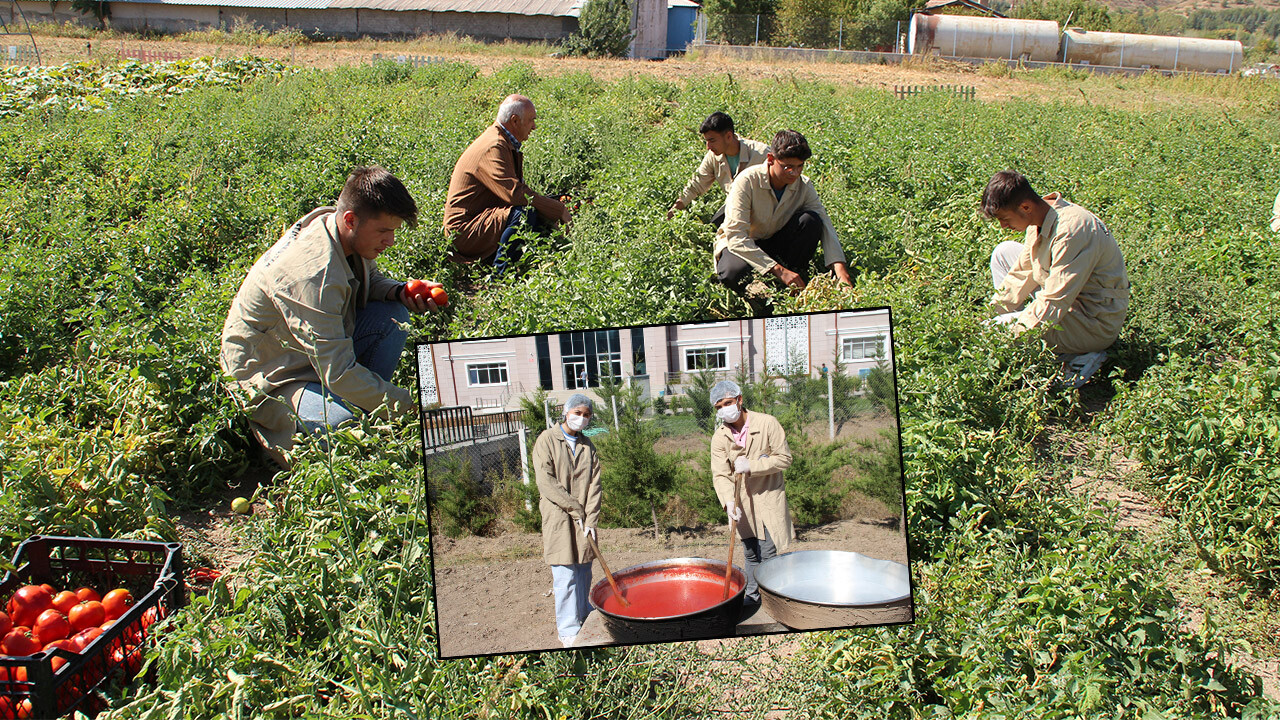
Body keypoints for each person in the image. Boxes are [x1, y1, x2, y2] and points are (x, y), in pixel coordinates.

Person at [220, 167, 440, 468]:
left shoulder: (339, 228)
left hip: (310, 352)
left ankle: (365, 403)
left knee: (393, 315)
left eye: (394, 231)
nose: (390, 241)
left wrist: (400, 291)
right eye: (383, 231)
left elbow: (368, 280)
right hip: (276, 370)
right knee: (345, 430)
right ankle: (292, 433)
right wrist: (413, 408)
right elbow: (337, 372)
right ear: (351, 220)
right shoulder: (313, 275)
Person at [982, 170, 1130, 385]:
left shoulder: (1071, 231)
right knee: (1004, 252)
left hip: (1091, 323)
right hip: (1069, 305)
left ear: (1025, 207)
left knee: (994, 332)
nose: (1003, 226)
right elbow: (1021, 275)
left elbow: (1054, 301)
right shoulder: (1041, 217)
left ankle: (1083, 354)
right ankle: (1027, 331)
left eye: (1005, 219)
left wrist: (1007, 332)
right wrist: (987, 315)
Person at [715, 130, 854, 299]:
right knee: (732, 272)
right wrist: (780, 271)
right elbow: (736, 237)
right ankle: (767, 287)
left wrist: (841, 272)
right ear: (771, 159)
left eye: (799, 167)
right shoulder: (747, 181)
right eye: (788, 167)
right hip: (743, 245)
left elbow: (825, 223)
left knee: (811, 221)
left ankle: (792, 274)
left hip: (774, 240)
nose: (794, 173)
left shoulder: (803, 185)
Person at [443, 94, 570, 276]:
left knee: (536, 209)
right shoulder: (494, 146)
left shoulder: (501, 140)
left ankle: (541, 260)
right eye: (531, 120)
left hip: (479, 220)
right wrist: (558, 210)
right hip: (464, 233)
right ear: (515, 120)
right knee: (526, 214)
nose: (534, 126)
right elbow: (515, 194)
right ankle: (501, 275)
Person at [708, 380, 794, 609]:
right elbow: (720, 474)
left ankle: (775, 600)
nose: (724, 409)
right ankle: (753, 597)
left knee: (767, 552)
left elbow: (784, 458)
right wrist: (728, 502)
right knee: (749, 551)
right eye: (719, 407)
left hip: (766, 498)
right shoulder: (720, 437)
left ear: (739, 400)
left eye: (727, 403)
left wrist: (753, 466)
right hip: (741, 503)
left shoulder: (767, 423)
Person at [532, 394, 603, 648]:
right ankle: (568, 630)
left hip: (585, 518)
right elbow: (546, 482)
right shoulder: (547, 440)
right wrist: (575, 508)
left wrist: (591, 519)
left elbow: (595, 485)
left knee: (584, 568)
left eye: (586, 415)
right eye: (578, 413)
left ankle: (584, 615)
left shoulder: (588, 446)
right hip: (559, 517)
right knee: (565, 573)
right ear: (566, 412)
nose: (581, 418)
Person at [666, 112, 769, 226]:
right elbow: (696, 185)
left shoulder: (761, 154)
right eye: (707, 141)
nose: (708, 147)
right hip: (735, 207)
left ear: (729, 136)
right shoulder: (713, 157)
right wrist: (675, 209)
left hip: (763, 211)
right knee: (714, 229)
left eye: (712, 140)